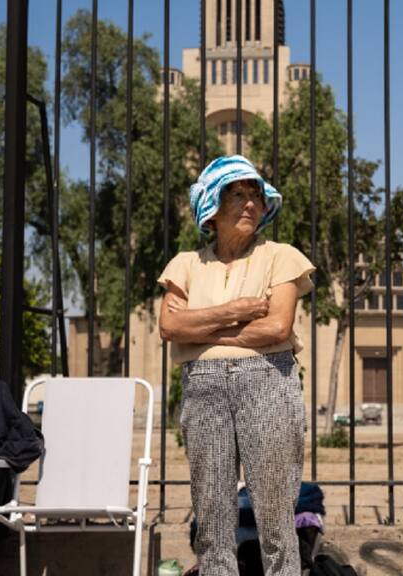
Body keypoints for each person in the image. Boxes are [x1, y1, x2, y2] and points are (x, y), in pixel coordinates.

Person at [158, 155, 314, 576]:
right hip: (204, 388)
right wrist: (238, 310)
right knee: (211, 514)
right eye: (237, 194)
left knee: (275, 514)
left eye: (256, 195)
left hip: (267, 380)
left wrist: (201, 332)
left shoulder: (281, 256)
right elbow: (169, 325)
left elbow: (277, 327)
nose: (250, 204)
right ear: (211, 206)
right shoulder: (185, 264)